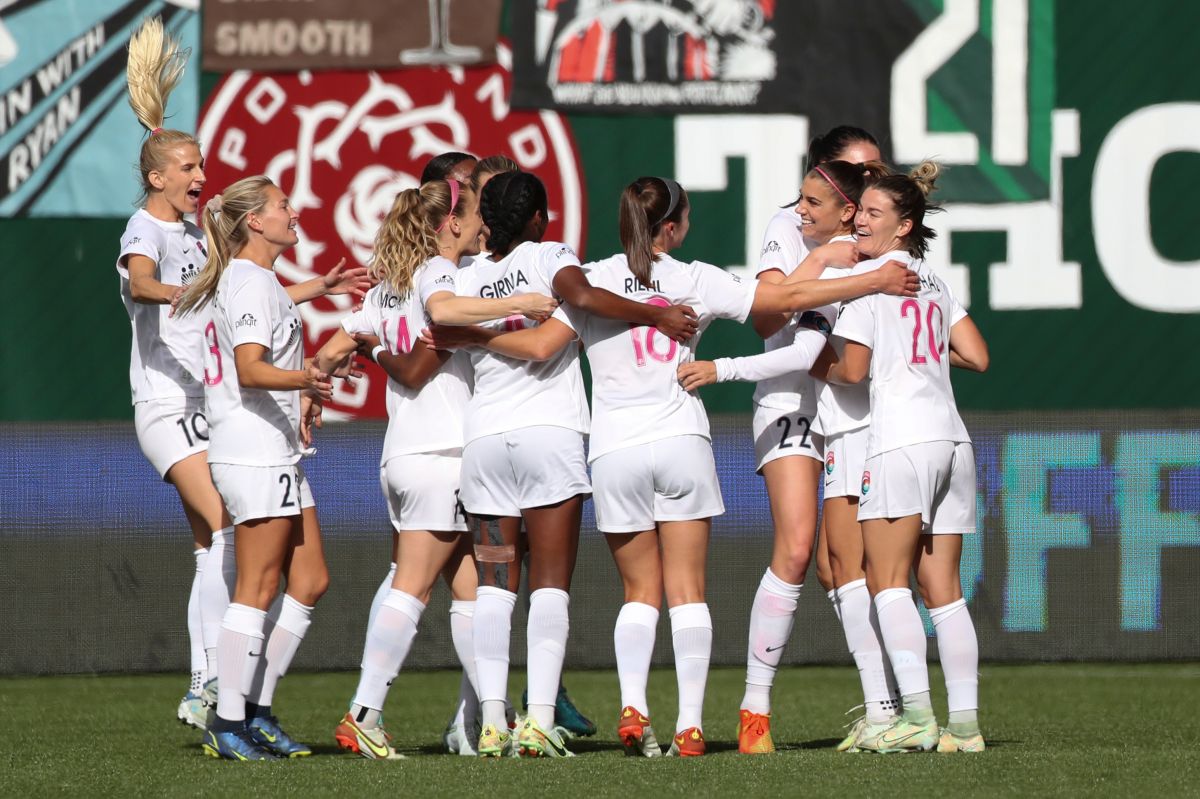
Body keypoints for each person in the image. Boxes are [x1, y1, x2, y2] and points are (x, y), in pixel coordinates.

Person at [434, 176, 919, 757]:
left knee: (637, 592)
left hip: (611, 449)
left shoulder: (593, 277)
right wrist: (855, 272)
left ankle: (629, 708)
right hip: (680, 438)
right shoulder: (695, 277)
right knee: (688, 592)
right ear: (674, 227)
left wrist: (470, 335)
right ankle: (689, 724)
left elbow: (543, 344)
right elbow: (777, 304)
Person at [427, 170, 703, 759]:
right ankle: (540, 719)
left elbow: (440, 323)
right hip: (548, 437)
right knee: (550, 585)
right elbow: (563, 320)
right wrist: (654, 315)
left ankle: (495, 721)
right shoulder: (550, 256)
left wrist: (474, 338)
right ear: (537, 219)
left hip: (484, 442)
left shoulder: (467, 276)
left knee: (497, 587)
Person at [313, 178, 556, 760]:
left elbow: (328, 352)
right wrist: (516, 304)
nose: (483, 226)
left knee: (473, 592)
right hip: (442, 452)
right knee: (412, 585)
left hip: (404, 453)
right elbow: (437, 329)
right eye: (473, 215)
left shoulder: (387, 289)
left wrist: (311, 395)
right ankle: (363, 714)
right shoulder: (439, 275)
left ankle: (493, 718)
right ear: (450, 223)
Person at [175, 176, 361, 760]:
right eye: (282, 205)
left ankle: (253, 708)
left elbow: (271, 309)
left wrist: (319, 288)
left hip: (272, 450)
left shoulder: (255, 279)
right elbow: (251, 369)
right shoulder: (250, 282)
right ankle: (228, 722)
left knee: (309, 581)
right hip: (253, 452)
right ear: (255, 220)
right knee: (253, 590)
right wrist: (308, 378)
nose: (292, 211)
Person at [814, 163, 989, 754]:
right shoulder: (933, 282)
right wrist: (921, 357)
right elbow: (978, 355)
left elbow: (854, 372)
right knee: (943, 585)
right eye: (858, 210)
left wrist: (819, 364)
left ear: (903, 224)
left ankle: (915, 717)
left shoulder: (872, 279)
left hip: (900, 442)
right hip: (953, 441)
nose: (859, 219)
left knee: (886, 581)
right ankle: (964, 727)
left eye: (872, 213)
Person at [728, 124, 885, 754]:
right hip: (793, 393)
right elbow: (766, 313)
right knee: (797, 548)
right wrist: (819, 260)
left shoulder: (888, 231)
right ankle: (754, 710)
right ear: (829, 177)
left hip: (853, 404)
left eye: (876, 167)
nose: (873, 176)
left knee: (846, 563)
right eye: (860, 168)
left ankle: (887, 706)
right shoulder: (791, 224)